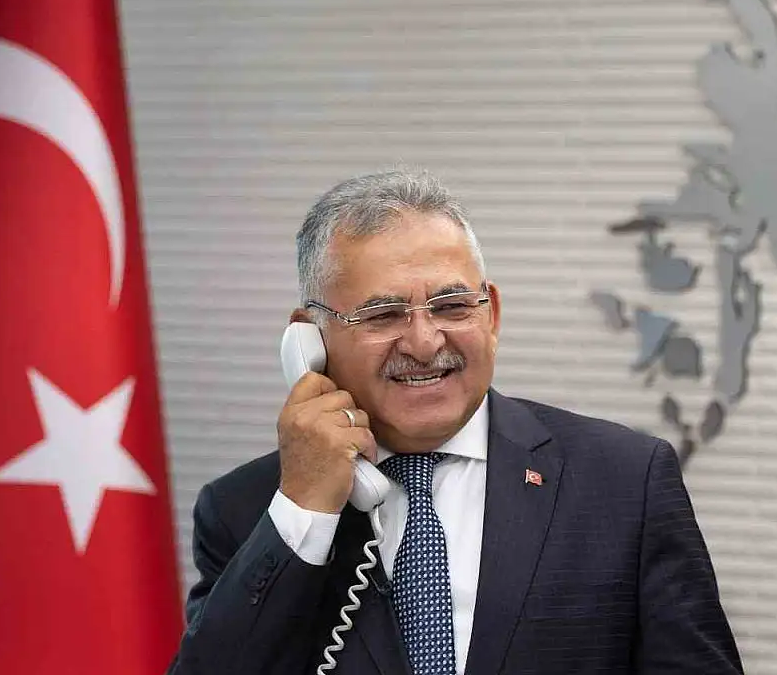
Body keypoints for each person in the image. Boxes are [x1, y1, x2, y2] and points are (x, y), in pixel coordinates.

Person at [166, 170, 743, 674]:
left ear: (492, 314)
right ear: (309, 338)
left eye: (451, 306)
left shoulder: (624, 481)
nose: (424, 343)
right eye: (383, 314)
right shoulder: (245, 510)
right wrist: (305, 511)